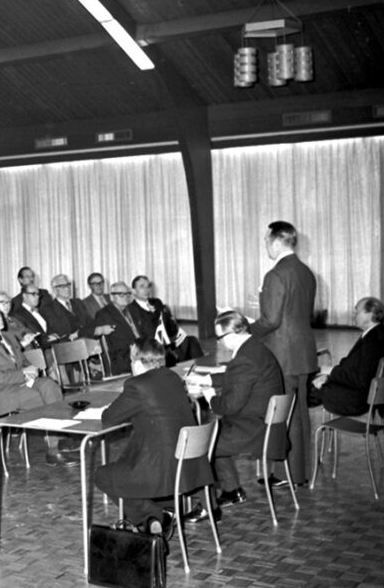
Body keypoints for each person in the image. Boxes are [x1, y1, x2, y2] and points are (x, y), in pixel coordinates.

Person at [93, 338, 211, 534]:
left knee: (103, 475)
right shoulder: (172, 377)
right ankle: (162, 513)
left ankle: (154, 515)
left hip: (161, 469)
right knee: (125, 469)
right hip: (188, 464)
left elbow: (108, 419)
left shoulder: (137, 385)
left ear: (138, 363)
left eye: (131, 360)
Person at [185, 311, 284, 522]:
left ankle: (208, 508)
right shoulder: (254, 348)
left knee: (200, 446)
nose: (219, 343)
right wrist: (209, 380)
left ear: (234, 333)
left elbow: (227, 407)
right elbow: (238, 376)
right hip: (262, 421)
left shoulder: (245, 358)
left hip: (252, 428)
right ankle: (232, 492)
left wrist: (210, 396)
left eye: (220, 337)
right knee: (215, 434)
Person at [250, 221, 318, 487]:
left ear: (277, 241)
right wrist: (265, 302)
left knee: (282, 414)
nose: (266, 246)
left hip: (283, 354)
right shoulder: (305, 272)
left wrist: (246, 330)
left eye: (266, 241)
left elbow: (271, 322)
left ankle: (284, 474)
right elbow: (294, 311)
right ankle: (296, 473)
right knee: (299, 414)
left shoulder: (275, 274)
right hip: (301, 351)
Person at [0, 304, 74, 466]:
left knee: (50, 385)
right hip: (2, 394)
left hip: (21, 385)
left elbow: (22, 362)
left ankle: (60, 436)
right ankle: (54, 448)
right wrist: (23, 374)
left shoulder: (8, 337)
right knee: (45, 399)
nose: (0, 319)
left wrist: (29, 369)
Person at [310, 297, 384, 416]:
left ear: (370, 313)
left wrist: (330, 372)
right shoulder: (379, 336)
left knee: (301, 387)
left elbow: (360, 379)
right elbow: (356, 369)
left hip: (355, 400)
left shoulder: (372, 342)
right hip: (363, 396)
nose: (354, 315)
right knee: (312, 383)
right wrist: (329, 375)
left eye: (357, 312)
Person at [129, 275, 204, 365]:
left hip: (168, 340)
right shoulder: (131, 309)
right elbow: (140, 332)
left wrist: (175, 333)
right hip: (152, 345)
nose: (146, 290)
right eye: (142, 286)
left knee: (192, 341)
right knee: (174, 353)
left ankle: (203, 368)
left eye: (148, 286)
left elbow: (169, 324)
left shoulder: (157, 302)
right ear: (133, 291)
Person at [92, 282, 138, 375]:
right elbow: (114, 344)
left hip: (137, 354)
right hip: (121, 360)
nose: (125, 297)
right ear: (112, 297)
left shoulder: (131, 311)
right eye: (121, 294)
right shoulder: (104, 314)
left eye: (127, 294)